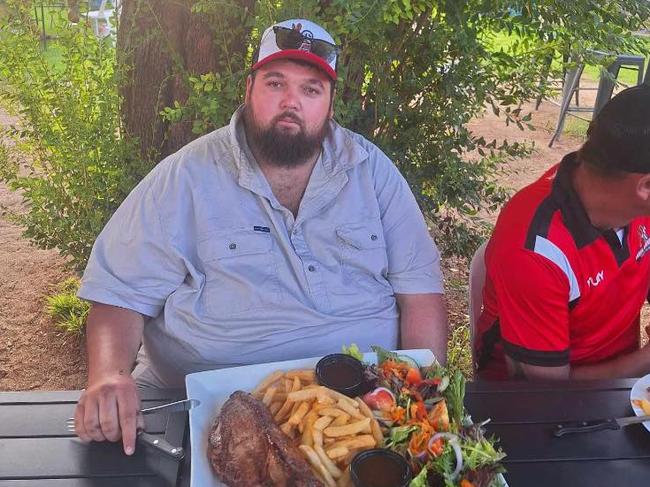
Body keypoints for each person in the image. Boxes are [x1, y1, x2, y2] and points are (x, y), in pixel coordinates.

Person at [73, 19, 448, 455]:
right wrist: (108, 375)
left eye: (311, 89)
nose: (292, 102)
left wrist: (422, 399)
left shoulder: (372, 171)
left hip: (360, 417)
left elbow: (420, 294)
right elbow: (118, 294)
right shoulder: (186, 176)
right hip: (203, 416)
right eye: (276, 83)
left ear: (329, 104)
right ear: (248, 89)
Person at [475, 83, 650, 381]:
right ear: (644, 186)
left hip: (625, 384)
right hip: (533, 409)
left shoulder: (626, 199)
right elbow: (548, 387)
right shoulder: (534, 248)